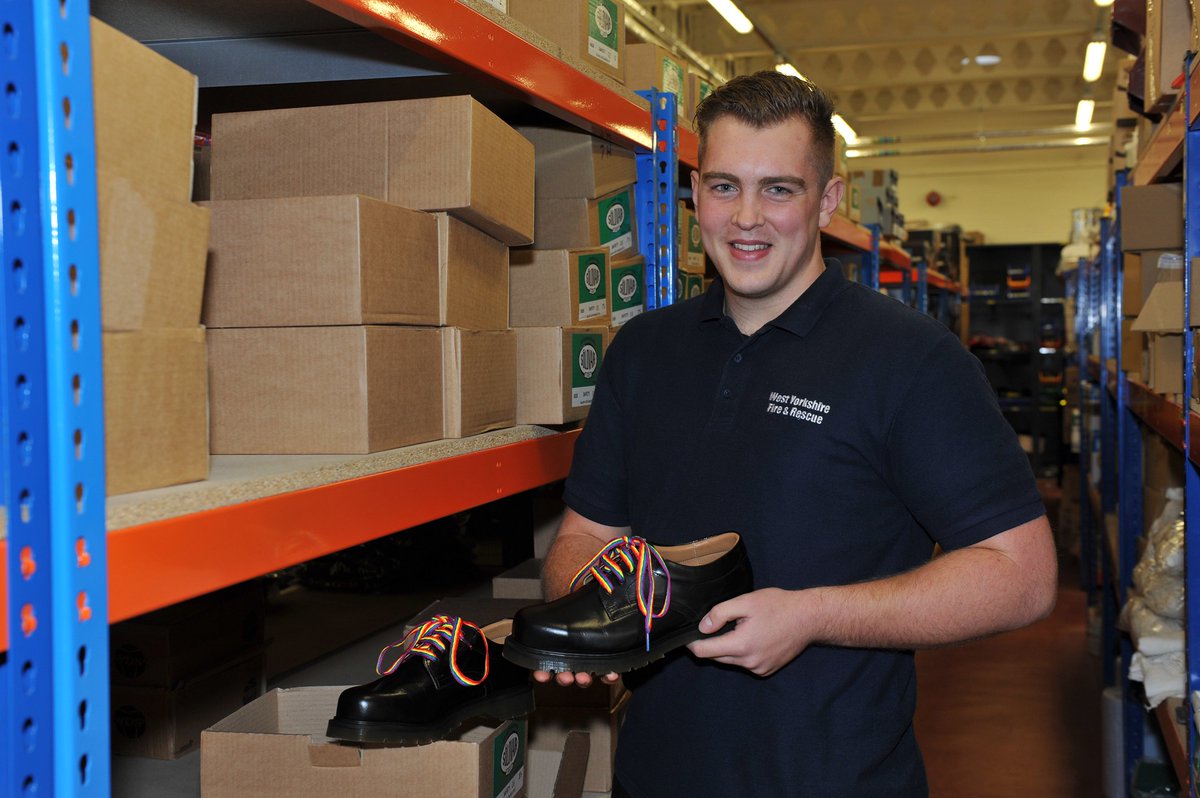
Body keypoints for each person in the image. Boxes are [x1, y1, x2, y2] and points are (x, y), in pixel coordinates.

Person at [534, 70, 1058, 797]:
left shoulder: (910, 360)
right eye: (724, 187)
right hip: (654, 777)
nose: (746, 218)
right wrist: (587, 615)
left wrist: (812, 616)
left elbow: (1022, 577)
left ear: (828, 200)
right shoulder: (642, 352)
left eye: (778, 189)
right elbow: (585, 535)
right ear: (694, 193)